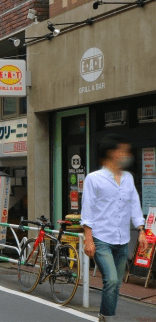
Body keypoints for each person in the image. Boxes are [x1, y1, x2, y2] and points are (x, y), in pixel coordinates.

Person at [81, 134, 148, 321]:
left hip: (122, 239)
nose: (126, 154)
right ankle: (109, 318)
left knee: (116, 283)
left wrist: (141, 231)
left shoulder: (128, 178)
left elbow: (134, 205)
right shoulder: (93, 179)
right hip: (101, 238)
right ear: (111, 154)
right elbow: (87, 209)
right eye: (122, 151)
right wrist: (88, 239)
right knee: (110, 280)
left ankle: (104, 315)